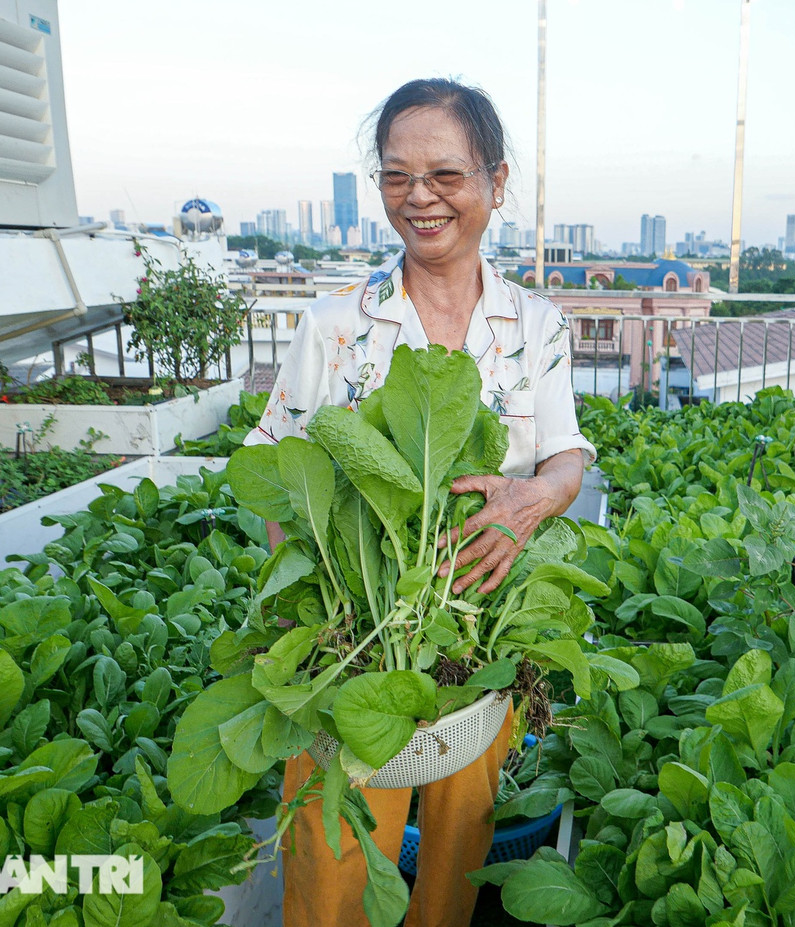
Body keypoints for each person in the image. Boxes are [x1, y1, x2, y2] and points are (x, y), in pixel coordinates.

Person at [245, 78, 595, 927]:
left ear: (496, 182)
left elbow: (566, 455)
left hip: (473, 643)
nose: (419, 197)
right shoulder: (336, 324)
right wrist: (310, 601)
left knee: (456, 851)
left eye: (445, 174)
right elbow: (273, 462)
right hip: (354, 645)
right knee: (332, 852)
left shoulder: (536, 325)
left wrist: (536, 498)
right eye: (397, 176)